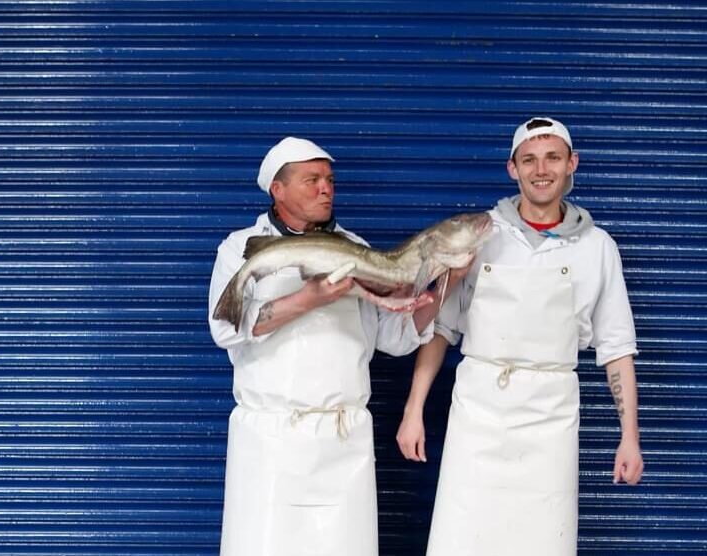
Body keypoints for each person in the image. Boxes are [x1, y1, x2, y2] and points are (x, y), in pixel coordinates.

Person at [396, 117, 644, 556]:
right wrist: (413, 409)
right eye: (529, 160)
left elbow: (617, 348)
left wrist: (630, 437)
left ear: (572, 164)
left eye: (552, 158)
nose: (540, 169)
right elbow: (441, 329)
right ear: (513, 169)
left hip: (550, 424)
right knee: (463, 538)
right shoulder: (477, 235)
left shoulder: (598, 247)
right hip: (479, 417)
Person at [208, 136, 451, 556]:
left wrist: (447, 281)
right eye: (312, 180)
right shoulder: (241, 249)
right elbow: (225, 329)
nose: (326, 188)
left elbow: (393, 339)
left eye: (329, 180)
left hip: (343, 442)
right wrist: (308, 299)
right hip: (270, 443)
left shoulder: (356, 248)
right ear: (277, 190)